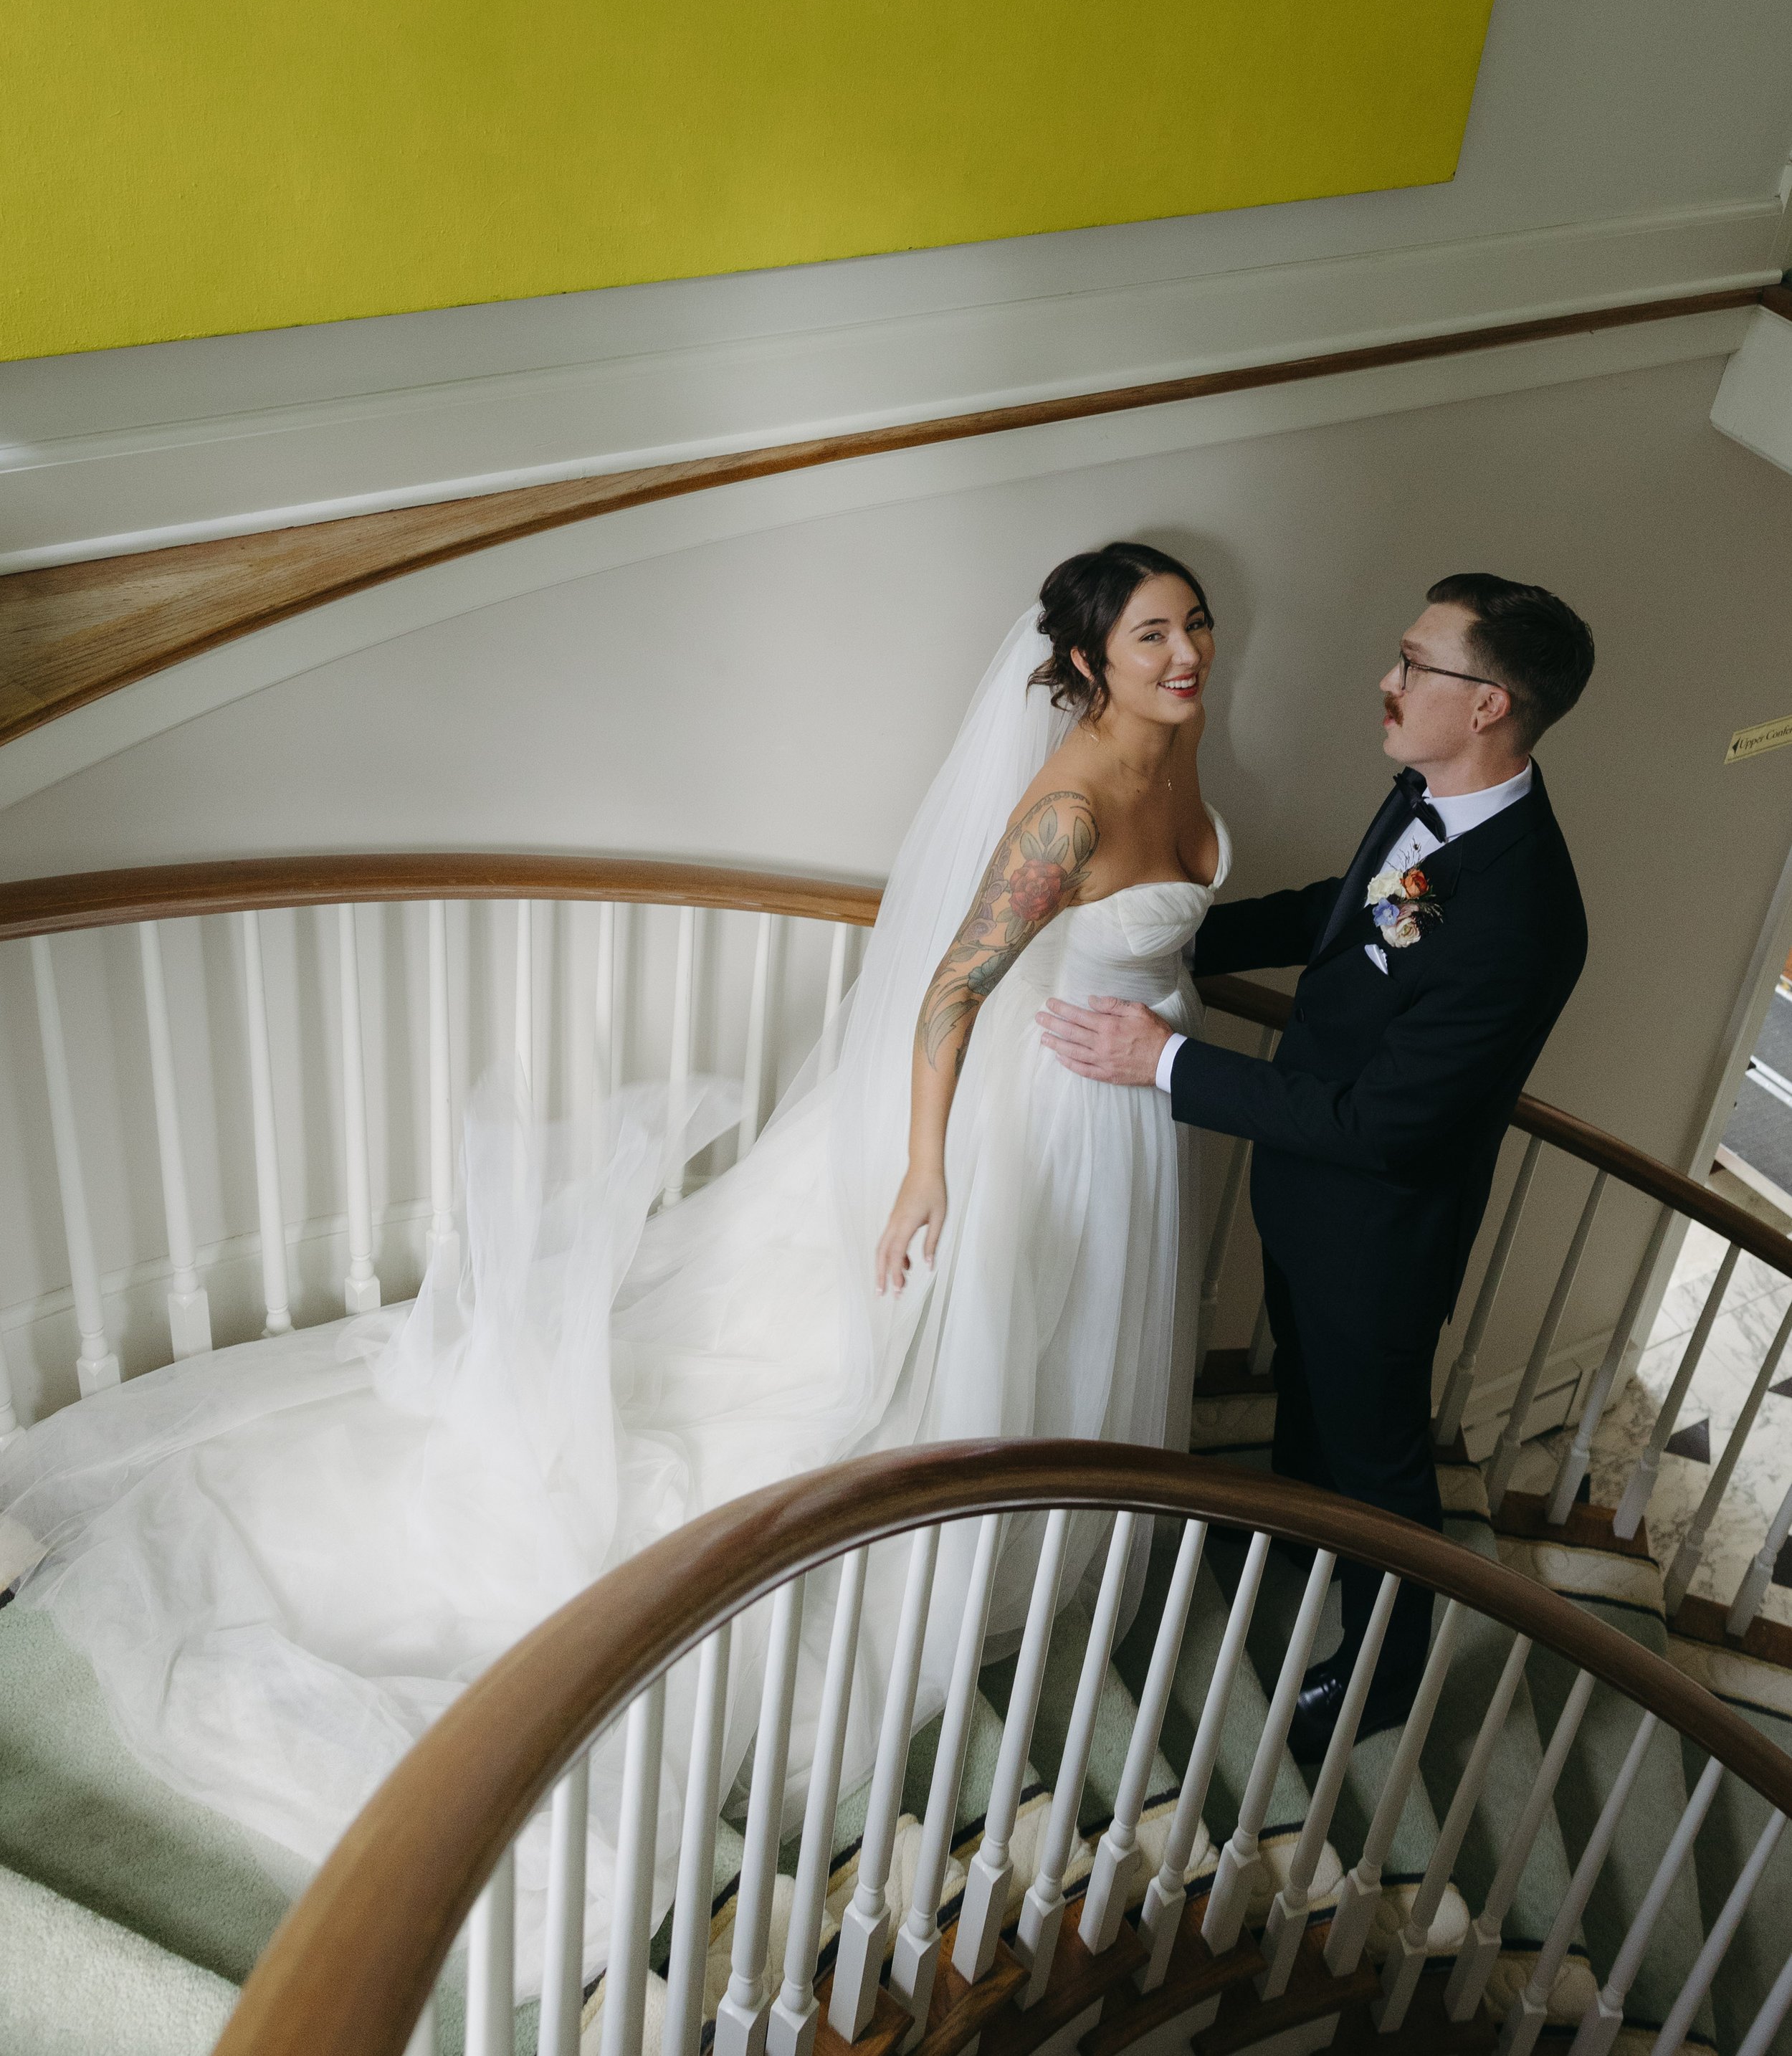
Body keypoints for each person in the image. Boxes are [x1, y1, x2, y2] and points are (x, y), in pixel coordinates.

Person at [0, 543, 1231, 1984]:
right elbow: (954, 987)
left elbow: (1163, 935)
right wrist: (923, 1166)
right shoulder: (1068, 802)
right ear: (1086, 661)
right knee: (906, 1368)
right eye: (1152, 635)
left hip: (1126, 1107)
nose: (1187, 653)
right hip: (1026, 1122)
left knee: (1071, 1333)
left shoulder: (1186, 756)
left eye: (1194, 625)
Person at [1039, 574, 1593, 1762]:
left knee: (1383, 1461)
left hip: (1379, 1234)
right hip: (1300, 1191)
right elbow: (1345, 917)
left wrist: (1165, 1060)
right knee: (1306, 1398)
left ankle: (1380, 1674)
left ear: (1488, 701)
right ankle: (1293, 1525)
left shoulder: (1527, 916)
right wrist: (1175, 932)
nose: (1386, 683)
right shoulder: (1426, 791)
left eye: (1413, 663)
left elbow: (1389, 1127)